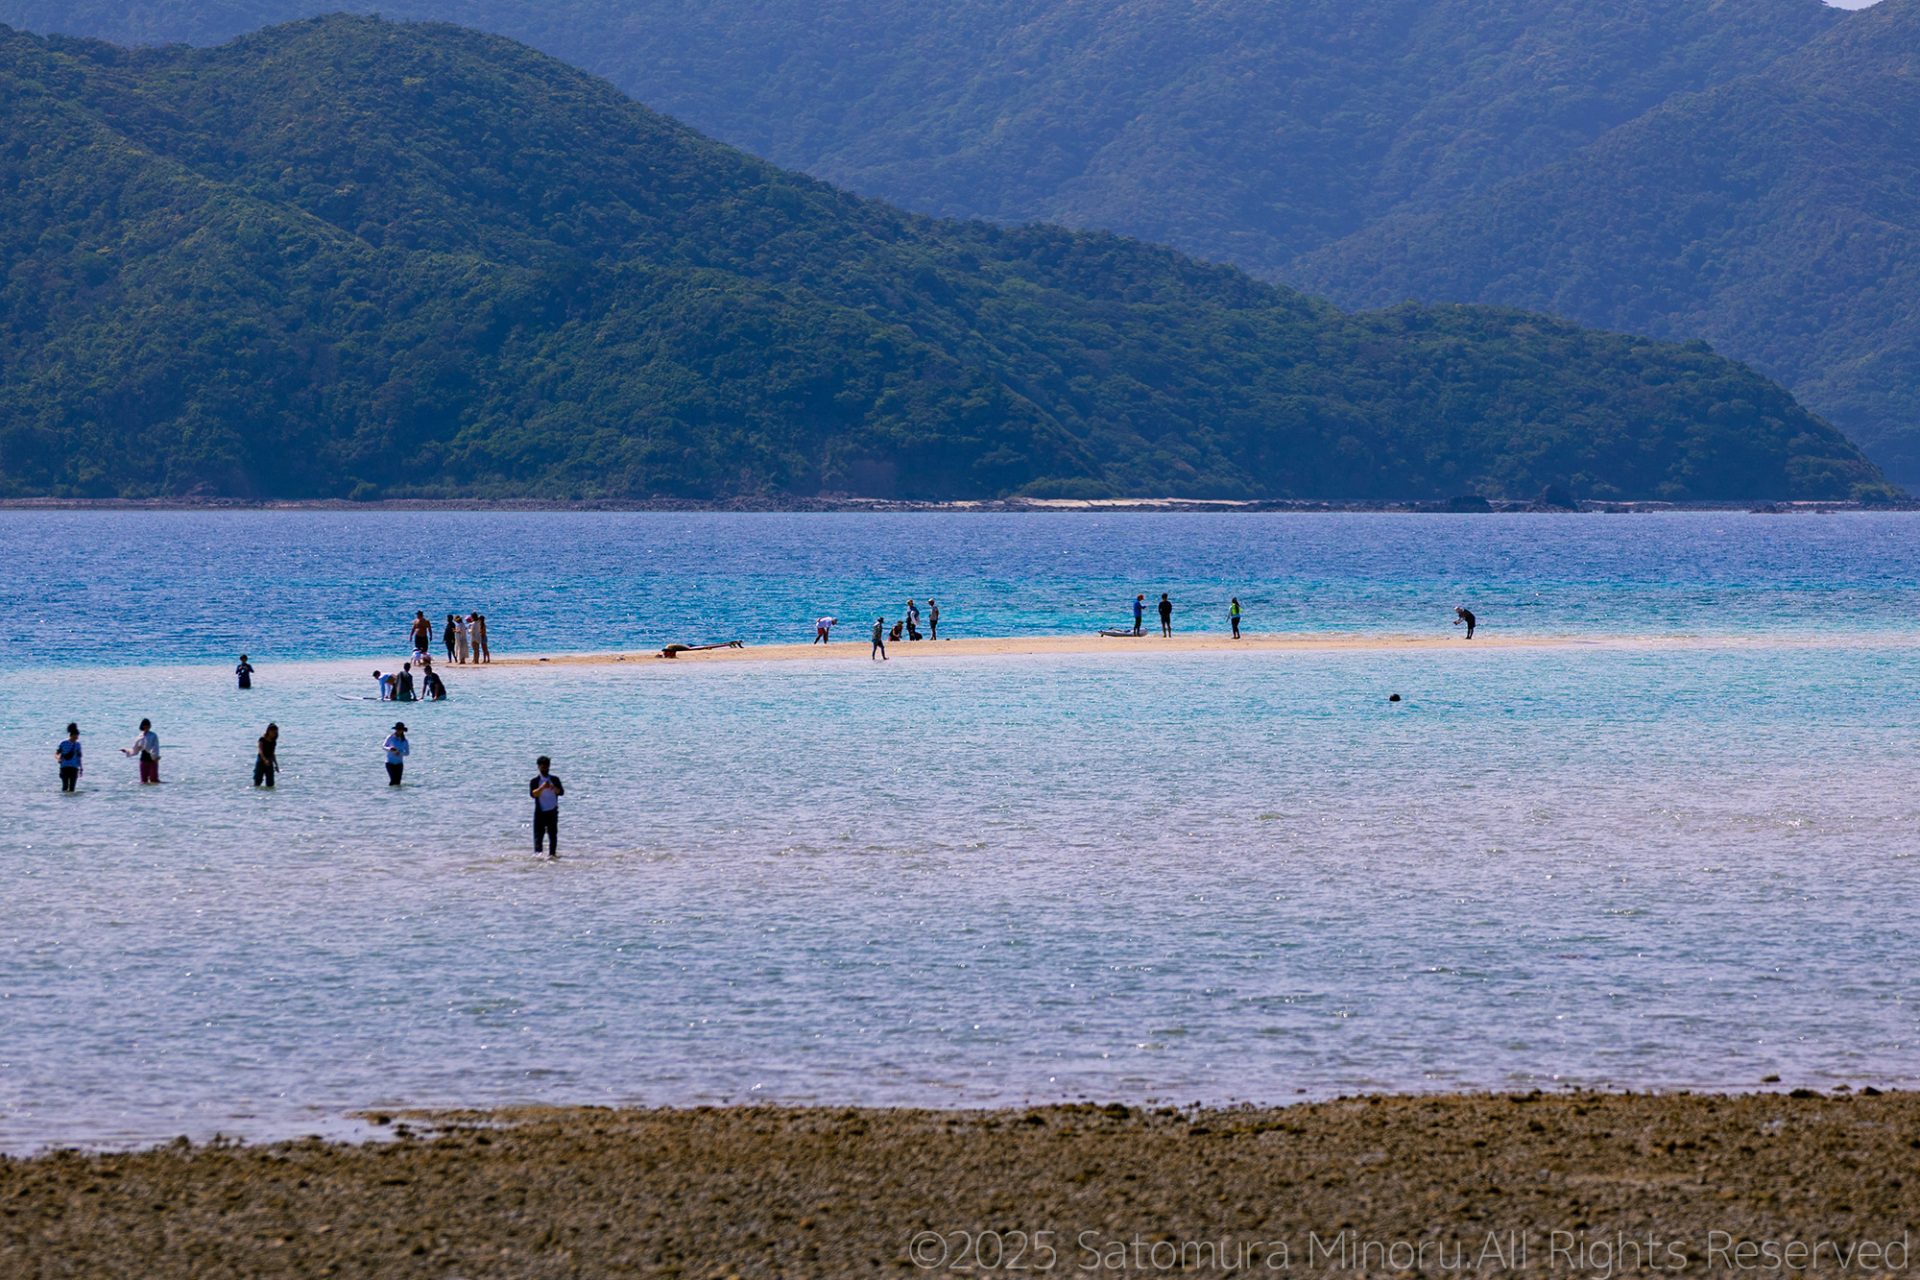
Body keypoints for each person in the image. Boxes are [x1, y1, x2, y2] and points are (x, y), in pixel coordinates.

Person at [530, 756, 564, 858]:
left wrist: (553, 787)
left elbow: (561, 792)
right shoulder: (535, 781)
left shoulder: (554, 779)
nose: (544, 768)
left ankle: (552, 856)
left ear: (549, 766)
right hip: (540, 813)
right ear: (538, 767)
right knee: (538, 837)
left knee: (553, 836)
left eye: (546, 766)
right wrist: (542, 787)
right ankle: (538, 857)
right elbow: (533, 794)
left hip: (552, 812)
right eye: (542, 766)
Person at [122, 719, 160, 784]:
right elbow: (135, 750)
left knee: (154, 780)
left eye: (148, 726)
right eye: (145, 726)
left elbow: (155, 747)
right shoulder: (139, 737)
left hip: (152, 759)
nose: (147, 727)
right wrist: (126, 751)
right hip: (143, 759)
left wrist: (155, 757)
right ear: (142, 726)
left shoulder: (153, 735)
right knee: (143, 781)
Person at [56, 723, 82, 792]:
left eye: (77, 736)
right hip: (64, 767)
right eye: (76, 736)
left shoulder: (78, 744)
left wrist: (81, 768)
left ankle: (71, 801)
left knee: (72, 788)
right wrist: (58, 759)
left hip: (74, 768)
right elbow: (57, 753)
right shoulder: (63, 743)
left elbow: (79, 757)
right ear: (71, 735)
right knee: (65, 786)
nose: (77, 738)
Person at [254, 723, 279, 789]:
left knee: (270, 784)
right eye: (273, 731)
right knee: (257, 781)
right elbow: (260, 751)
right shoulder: (262, 739)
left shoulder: (273, 741)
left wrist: (276, 764)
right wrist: (264, 760)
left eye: (275, 732)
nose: (274, 733)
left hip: (269, 761)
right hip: (261, 761)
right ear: (269, 731)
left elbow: (273, 753)